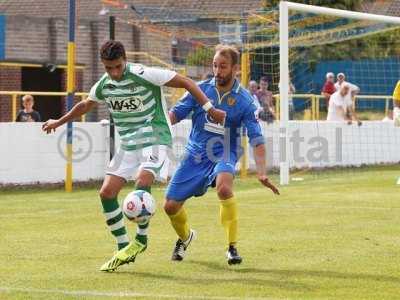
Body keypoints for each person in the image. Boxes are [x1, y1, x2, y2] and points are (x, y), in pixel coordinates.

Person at [42, 40, 226, 272]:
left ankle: (141, 240)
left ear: (125, 60)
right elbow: (85, 105)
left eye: (118, 67)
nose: (115, 73)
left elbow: (186, 82)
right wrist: (58, 122)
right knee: (106, 193)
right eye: (109, 68)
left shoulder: (144, 74)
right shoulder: (104, 85)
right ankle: (123, 247)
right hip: (129, 143)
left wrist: (210, 109)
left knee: (142, 181)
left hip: (156, 136)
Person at [164, 44, 280, 266]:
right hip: (196, 152)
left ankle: (232, 247)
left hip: (226, 149)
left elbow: (257, 139)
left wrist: (262, 172)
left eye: (223, 66)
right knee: (170, 206)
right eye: (215, 65)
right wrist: (159, 125)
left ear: (235, 69)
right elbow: (175, 114)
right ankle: (186, 237)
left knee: (224, 187)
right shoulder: (200, 90)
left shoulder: (245, 100)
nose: (217, 71)